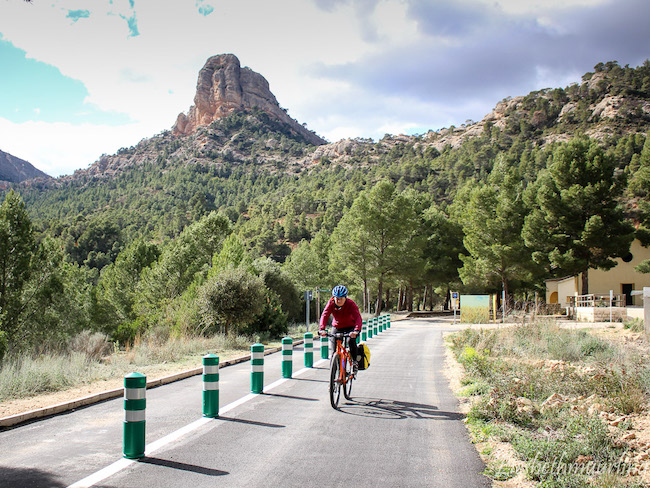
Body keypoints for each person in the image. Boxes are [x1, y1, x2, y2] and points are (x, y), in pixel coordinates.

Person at [319, 285, 362, 372]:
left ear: (345, 298)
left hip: (350, 327)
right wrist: (322, 329)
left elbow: (358, 317)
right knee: (334, 350)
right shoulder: (331, 303)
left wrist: (356, 330)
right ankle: (333, 377)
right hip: (337, 327)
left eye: (341, 298)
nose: (338, 300)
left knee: (351, 341)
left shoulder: (351, 304)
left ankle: (354, 362)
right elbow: (325, 315)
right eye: (336, 298)